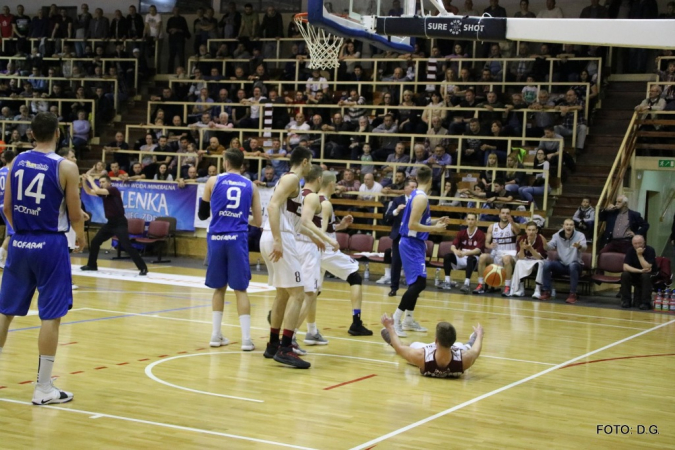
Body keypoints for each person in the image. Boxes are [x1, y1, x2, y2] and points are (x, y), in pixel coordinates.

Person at [0, 112, 82, 405]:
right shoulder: (67, 167)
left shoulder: (17, 162)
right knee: (51, 315)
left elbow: (6, 207)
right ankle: (43, 388)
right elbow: (74, 216)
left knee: (5, 312)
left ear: (31, 133)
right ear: (58, 134)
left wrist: (18, 231)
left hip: (20, 241)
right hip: (50, 244)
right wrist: (81, 235)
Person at [259, 146, 328, 369]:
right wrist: (278, 239)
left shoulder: (290, 183)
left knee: (282, 293)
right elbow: (271, 206)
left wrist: (315, 237)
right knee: (298, 294)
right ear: (305, 162)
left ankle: (272, 345)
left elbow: (295, 222)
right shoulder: (290, 179)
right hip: (278, 237)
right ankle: (286, 348)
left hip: (275, 235)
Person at [199, 149, 262, 350]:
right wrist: (241, 218)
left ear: (225, 162)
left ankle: (215, 335)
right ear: (242, 164)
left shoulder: (212, 181)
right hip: (237, 238)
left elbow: (202, 215)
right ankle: (245, 340)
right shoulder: (250, 185)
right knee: (240, 289)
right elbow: (258, 221)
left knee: (219, 288)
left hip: (216, 238)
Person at [311, 171, 373, 336]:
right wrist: (331, 241)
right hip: (325, 250)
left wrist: (340, 226)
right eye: (336, 182)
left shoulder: (314, 200)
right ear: (331, 184)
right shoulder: (325, 203)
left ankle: (299, 326)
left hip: (314, 250)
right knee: (355, 276)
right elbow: (321, 231)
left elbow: (320, 228)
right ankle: (356, 322)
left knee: (312, 292)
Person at [393, 166, 449, 337]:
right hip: (410, 243)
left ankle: (408, 319)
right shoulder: (420, 198)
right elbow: (412, 225)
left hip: (415, 243)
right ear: (431, 180)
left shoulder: (417, 195)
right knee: (419, 283)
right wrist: (436, 229)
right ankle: (395, 319)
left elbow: (418, 220)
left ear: (417, 178)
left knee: (416, 283)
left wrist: (434, 222)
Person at [293, 165, 340, 351]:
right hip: (308, 247)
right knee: (309, 294)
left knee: (300, 293)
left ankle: (308, 331)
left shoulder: (295, 193)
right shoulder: (316, 199)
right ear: (320, 179)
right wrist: (327, 239)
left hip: (293, 243)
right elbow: (315, 227)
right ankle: (291, 336)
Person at [80, 175, 148, 275]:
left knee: (127, 245)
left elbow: (97, 190)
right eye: (100, 182)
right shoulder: (104, 193)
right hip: (110, 223)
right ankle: (92, 265)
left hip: (120, 223)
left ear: (109, 182)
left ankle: (143, 268)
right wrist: (84, 181)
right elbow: (89, 191)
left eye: (103, 182)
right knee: (95, 242)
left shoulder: (113, 189)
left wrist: (91, 179)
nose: (101, 184)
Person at [380, 314, 484, 378]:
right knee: (467, 347)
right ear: (453, 341)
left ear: (435, 341)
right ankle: (472, 340)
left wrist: (390, 328)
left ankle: (391, 340)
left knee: (409, 347)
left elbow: (399, 348)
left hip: (429, 355)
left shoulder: (422, 356)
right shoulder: (464, 359)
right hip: (455, 352)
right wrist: (479, 335)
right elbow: (476, 351)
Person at [379, 179, 418, 296]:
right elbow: (388, 217)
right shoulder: (397, 200)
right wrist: (397, 210)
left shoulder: (418, 200)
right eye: (412, 186)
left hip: (412, 236)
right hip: (399, 236)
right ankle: (394, 288)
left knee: (412, 263)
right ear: (406, 188)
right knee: (396, 262)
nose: (414, 189)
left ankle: (414, 289)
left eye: (416, 187)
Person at [474, 207, 520, 296]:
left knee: (506, 259)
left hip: (510, 254)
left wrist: (512, 222)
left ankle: (507, 287)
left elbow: (517, 231)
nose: (505, 215)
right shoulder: (492, 226)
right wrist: (489, 245)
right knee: (482, 257)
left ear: (510, 215)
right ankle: (480, 284)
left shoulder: (514, 225)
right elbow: (487, 243)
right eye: (503, 213)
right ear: (499, 214)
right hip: (496, 254)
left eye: (507, 213)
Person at [540, 219, 587, 304]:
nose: (569, 226)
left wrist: (579, 246)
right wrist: (544, 244)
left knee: (573, 265)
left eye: (571, 225)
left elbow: (584, 248)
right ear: (563, 226)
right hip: (562, 264)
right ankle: (546, 291)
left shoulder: (580, 235)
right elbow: (548, 247)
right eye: (567, 224)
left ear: (574, 227)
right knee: (547, 264)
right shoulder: (557, 235)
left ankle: (573, 294)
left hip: (576, 265)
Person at [440, 213, 485, 292]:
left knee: (470, 258)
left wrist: (464, 253)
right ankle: (447, 281)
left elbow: (478, 250)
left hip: (474, 258)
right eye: (468, 219)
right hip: (462, 256)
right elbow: (452, 246)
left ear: (476, 221)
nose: (470, 221)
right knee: (447, 256)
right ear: (466, 220)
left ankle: (466, 283)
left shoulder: (480, 234)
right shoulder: (461, 233)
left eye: (472, 219)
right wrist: (456, 251)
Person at [509, 221, 547, 298]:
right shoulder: (522, 239)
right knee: (519, 262)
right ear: (526, 230)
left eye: (533, 230)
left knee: (540, 263)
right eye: (529, 230)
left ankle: (537, 290)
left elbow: (539, 257)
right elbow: (521, 257)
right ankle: (521, 289)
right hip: (526, 260)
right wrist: (522, 248)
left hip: (537, 260)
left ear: (536, 231)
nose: (531, 232)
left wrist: (530, 249)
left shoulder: (540, 239)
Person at [620, 235, 656, 310]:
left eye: (640, 243)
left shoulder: (650, 250)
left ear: (644, 242)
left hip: (649, 275)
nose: (638, 245)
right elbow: (625, 267)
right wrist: (640, 271)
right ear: (632, 244)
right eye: (635, 244)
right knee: (625, 274)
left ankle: (645, 303)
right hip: (636, 273)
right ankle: (626, 301)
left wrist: (639, 255)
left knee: (645, 276)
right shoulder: (630, 250)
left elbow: (647, 267)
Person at [0, 150, 15, 268]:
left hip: (0, 204)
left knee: (10, 233)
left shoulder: (0, 171)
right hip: (8, 205)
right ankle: (0, 256)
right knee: (12, 233)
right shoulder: (12, 172)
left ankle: (6, 257)